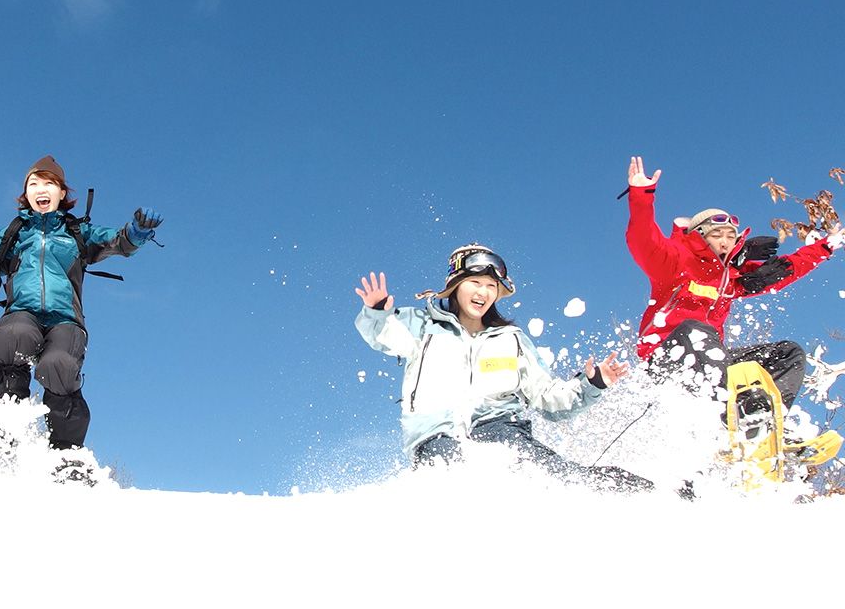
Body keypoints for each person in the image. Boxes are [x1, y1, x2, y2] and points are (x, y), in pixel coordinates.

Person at [354, 244, 653, 491]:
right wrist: (378, 312)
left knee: (563, 479)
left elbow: (549, 398)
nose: (483, 292)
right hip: (436, 437)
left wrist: (592, 384)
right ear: (456, 286)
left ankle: (644, 496)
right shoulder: (422, 327)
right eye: (475, 283)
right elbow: (384, 336)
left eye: (490, 286)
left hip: (501, 430)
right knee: (455, 482)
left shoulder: (511, 339)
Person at [0, 154, 162, 450]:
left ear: (62, 193)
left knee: (58, 364)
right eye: (34, 183)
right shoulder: (13, 234)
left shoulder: (77, 232)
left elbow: (116, 242)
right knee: (15, 335)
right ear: (25, 193)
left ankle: (66, 453)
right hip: (22, 313)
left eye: (49, 183)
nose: (41, 189)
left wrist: (136, 234)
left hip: (65, 319)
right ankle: (4, 424)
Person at [623, 156, 841, 413]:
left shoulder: (732, 278)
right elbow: (642, 239)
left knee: (787, 354)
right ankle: (738, 413)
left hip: (710, 365)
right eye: (717, 235)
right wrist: (641, 195)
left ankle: (767, 422)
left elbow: (785, 271)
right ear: (700, 236)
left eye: (730, 236)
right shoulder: (674, 261)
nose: (725, 241)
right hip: (664, 358)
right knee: (695, 330)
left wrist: (825, 247)